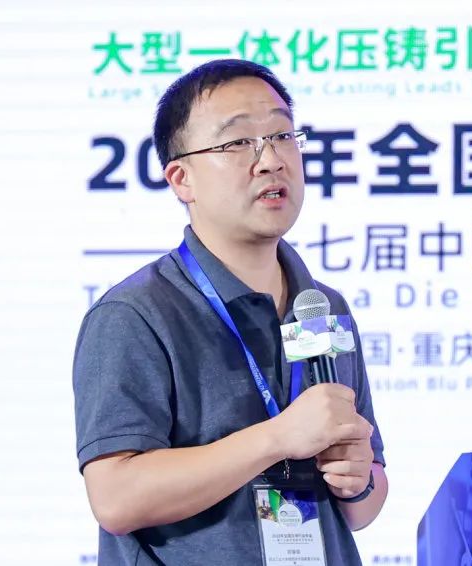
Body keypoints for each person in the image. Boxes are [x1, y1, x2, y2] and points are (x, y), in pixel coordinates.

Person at [73, 59, 387, 565]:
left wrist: (358, 479)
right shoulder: (135, 314)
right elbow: (116, 498)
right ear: (182, 179)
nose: (271, 160)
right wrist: (278, 438)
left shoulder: (322, 307)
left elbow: (363, 507)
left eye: (282, 135)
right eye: (238, 143)